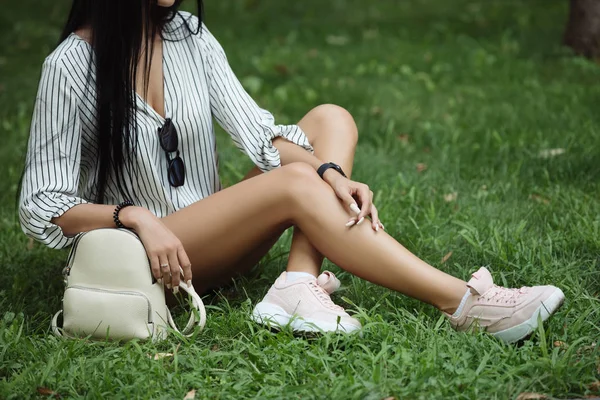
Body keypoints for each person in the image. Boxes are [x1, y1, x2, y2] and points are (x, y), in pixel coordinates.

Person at [18, 0, 564, 344]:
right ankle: (464, 304)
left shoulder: (187, 34)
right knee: (295, 179)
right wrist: (133, 216)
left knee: (331, 121)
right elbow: (42, 203)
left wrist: (329, 173)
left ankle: (297, 282)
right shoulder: (69, 67)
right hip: (144, 261)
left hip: (209, 238)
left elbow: (259, 133)